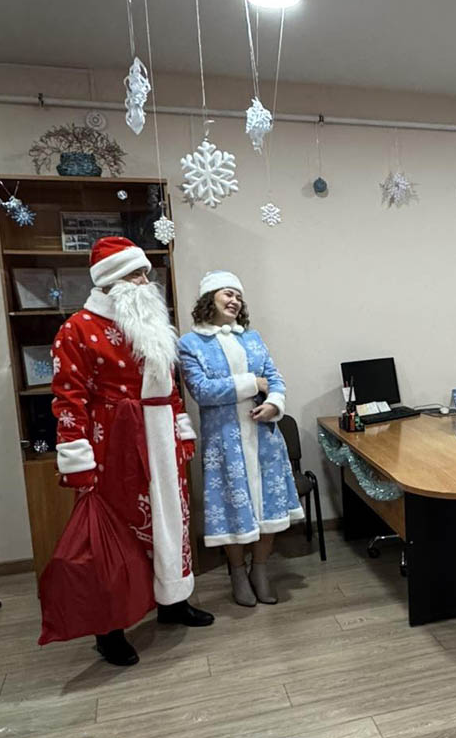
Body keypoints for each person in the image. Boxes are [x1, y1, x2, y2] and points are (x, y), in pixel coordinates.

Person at [48, 236, 214, 666]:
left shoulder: (153, 325)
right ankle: (110, 629)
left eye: (145, 273)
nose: (145, 282)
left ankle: (173, 602)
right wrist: (77, 459)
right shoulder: (77, 329)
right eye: (136, 274)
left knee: (171, 522)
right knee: (117, 536)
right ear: (111, 281)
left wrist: (181, 430)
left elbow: (169, 387)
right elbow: (69, 399)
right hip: (114, 445)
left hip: (162, 440)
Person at [179, 271, 303, 607]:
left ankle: (260, 569)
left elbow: (274, 377)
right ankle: (237, 571)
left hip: (264, 438)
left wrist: (274, 402)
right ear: (209, 298)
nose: (234, 301)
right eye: (227, 294)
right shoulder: (190, 344)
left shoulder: (253, 338)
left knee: (269, 510)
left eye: (238, 296)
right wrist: (253, 384)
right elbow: (202, 391)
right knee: (232, 508)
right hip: (225, 443)